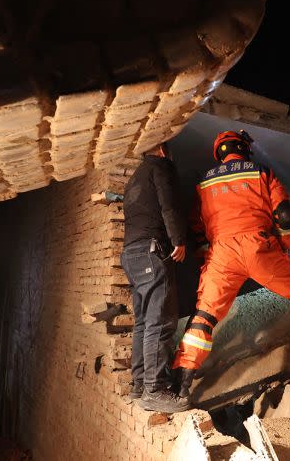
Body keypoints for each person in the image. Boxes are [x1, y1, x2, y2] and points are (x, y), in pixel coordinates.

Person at [172, 130, 290, 401]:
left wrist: (209, 257)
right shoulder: (262, 172)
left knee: (204, 318)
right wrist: (283, 246)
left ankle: (182, 383)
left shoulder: (203, 183)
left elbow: (197, 228)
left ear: (220, 153)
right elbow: (284, 214)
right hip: (259, 247)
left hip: (222, 253)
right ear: (243, 148)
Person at [100, 142, 188, 413]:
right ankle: (155, 390)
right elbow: (169, 206)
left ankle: (140, 386)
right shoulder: (159, 167)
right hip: (151, 253)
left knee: (143, 322)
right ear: (162, 150)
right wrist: (179, 240)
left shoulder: (135, 179)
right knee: (159, 323)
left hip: (131, 256)